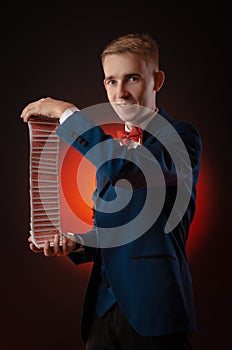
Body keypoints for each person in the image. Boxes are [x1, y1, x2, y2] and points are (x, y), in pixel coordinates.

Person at [20, 33, 202, 350]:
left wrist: (68, 114)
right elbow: (116, 235)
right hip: (101, 317)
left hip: (154, 313)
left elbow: (121, 168)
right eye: (111, 81)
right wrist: (76, 246)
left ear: (157, 80)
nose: (120, 93)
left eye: (131, 78)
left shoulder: (180, 138)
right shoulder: (112, 149)